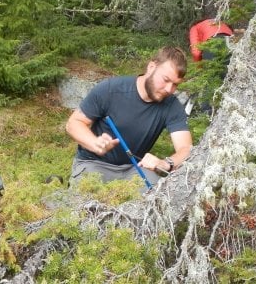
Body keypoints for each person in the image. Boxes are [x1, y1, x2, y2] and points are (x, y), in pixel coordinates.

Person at [65, 46, 193, 191]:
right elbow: (73, 123)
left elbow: (186, 148)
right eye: (165, 80)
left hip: (134, 169)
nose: (169, 89)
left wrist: (166, 163)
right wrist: (95, 143)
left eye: (175, 84)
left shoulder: (171, 105)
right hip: (93, 164)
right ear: (151, 67)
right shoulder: (110, 89)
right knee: (86, 207)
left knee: (159, 196)